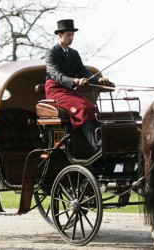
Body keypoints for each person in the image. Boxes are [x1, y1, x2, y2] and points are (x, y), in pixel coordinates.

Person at [45, 19, 113, 153]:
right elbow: (56, 75)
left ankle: (101, 140)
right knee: (82, 108)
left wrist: (99, 80)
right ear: (60, 35)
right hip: (55, 89)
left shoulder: (74, 54)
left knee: (91, 108)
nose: (71, 38)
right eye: (68, 35)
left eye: (72, 35)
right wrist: (75, 81)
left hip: (68, 90)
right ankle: (97, 146)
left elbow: (84, 72)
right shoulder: (51, 53)